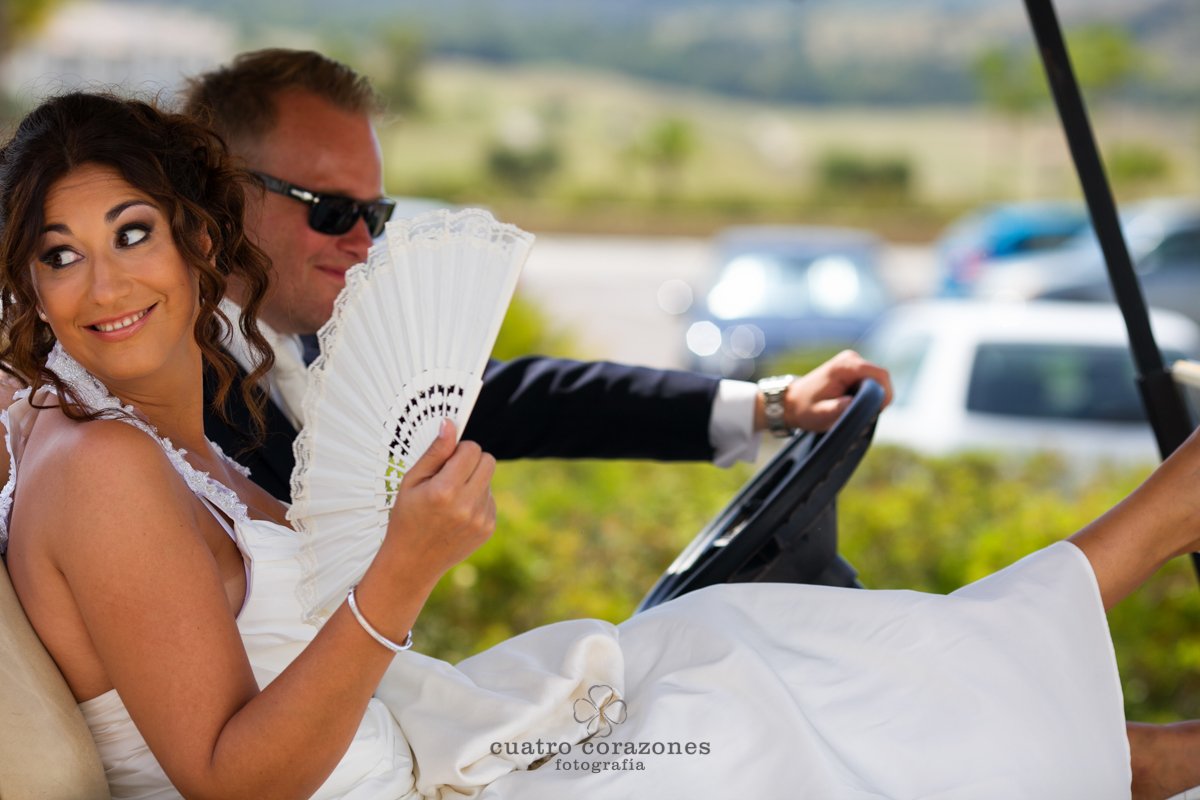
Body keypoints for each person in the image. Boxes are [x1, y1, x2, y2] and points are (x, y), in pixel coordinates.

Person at [3, 92, 1200, 800]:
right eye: (59, 252)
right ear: (26, 282)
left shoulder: (181, 430)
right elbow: (229, 780)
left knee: (733, 640)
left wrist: (761, 406)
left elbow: (511, 398)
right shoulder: (102, 468)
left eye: (130, 231)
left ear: (197, 241)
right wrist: (400, 573)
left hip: (415, 755)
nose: (103, 280)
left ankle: (1136, 721)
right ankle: (1147, 570)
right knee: (735, 711)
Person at [179, 48, 893, 503]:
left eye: (377, 211)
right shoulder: (163, 393)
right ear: (221, 188)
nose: (365, 241)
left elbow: (519, 398)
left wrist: (771, 406)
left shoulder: (319, 342)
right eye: (333, 209)